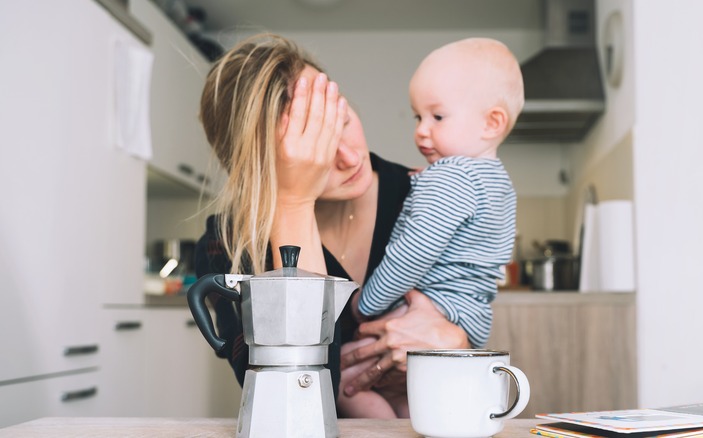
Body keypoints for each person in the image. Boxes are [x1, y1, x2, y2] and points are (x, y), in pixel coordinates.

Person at [193, 33, 469, 416]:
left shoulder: (430, 198)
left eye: (339, 118)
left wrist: (459, 346)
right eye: (311, 146)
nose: (348, 155)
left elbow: (477, 355)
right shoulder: (227, 245)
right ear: (257, 170)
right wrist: (293, 203)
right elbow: (295, 403)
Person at [339, 37, 524, 418]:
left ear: (492, 123)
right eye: (417, 117)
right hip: (467, 320)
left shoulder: (452, 180)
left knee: (339, 374)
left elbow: (412, 254)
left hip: (428, 307)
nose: (421, 131)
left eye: (437, 117)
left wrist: (366, 303)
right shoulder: (498, 182)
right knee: (417, 398)